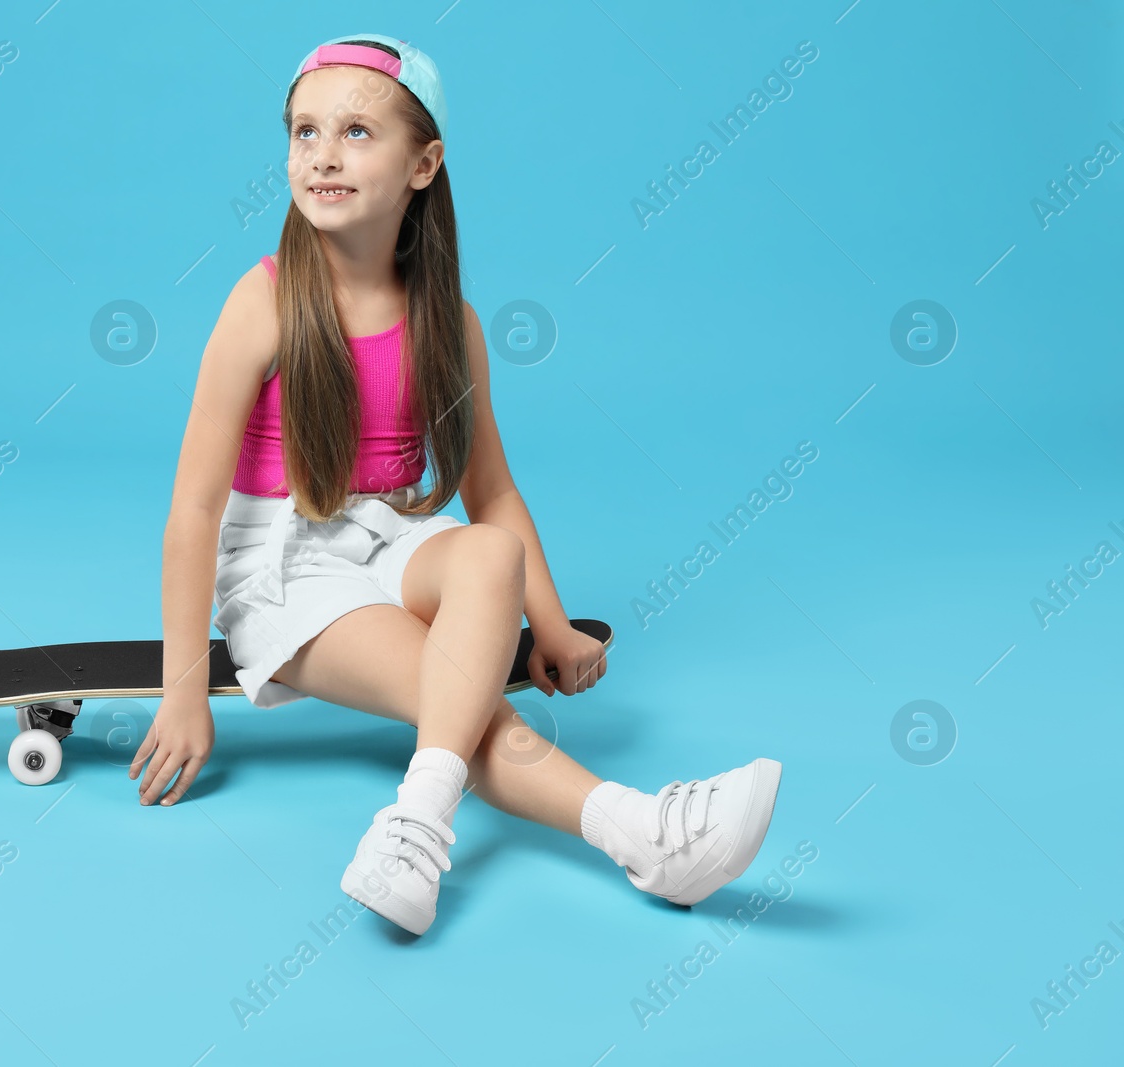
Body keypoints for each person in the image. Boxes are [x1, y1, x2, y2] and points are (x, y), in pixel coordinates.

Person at [131, 33, 783, 936]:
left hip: (386, 540)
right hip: (283, 562)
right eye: (304, 131)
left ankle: (418, 819)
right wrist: (183, 690)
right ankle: (643, 833)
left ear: (424, 163)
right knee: (458, 700)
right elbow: (194, 509)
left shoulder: (451, 323)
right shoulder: (264, 303)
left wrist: (548, 622)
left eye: (357, 132)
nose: (322, 153)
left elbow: (494, 492)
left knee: (491, 555)